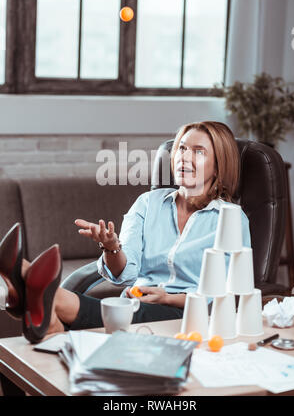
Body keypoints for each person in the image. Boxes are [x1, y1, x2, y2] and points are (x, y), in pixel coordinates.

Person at [0, 121, 251, 343]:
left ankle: (24, 279)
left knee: (54, 301)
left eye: (199, 152)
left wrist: (167, 298)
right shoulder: (148, 203)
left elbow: (224, 293)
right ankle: (31, 291)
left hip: (188, 315)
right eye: (182, 148)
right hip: (134, 302)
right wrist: (111, 247)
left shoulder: (229, 219)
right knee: (53, 325)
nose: (185, 157)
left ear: (217, 167)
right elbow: (124, 273)